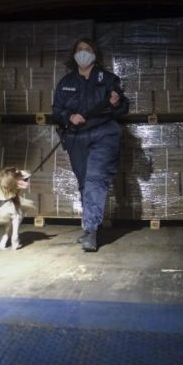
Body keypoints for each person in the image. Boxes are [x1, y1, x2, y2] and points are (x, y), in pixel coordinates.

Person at [52, 38, 129, 251]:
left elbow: (123, 108)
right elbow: (56, 111)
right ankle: (88, 228)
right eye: (79, 50)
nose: (83, 53)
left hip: (104, 133)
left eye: (87, 49)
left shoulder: (109, 79)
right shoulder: (66, 82)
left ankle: (92, 231)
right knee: (85, 182)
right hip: (76, 137)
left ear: (95, 54)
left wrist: (116, 102)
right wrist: (69, 116)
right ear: (73, 54)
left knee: (95, 178)